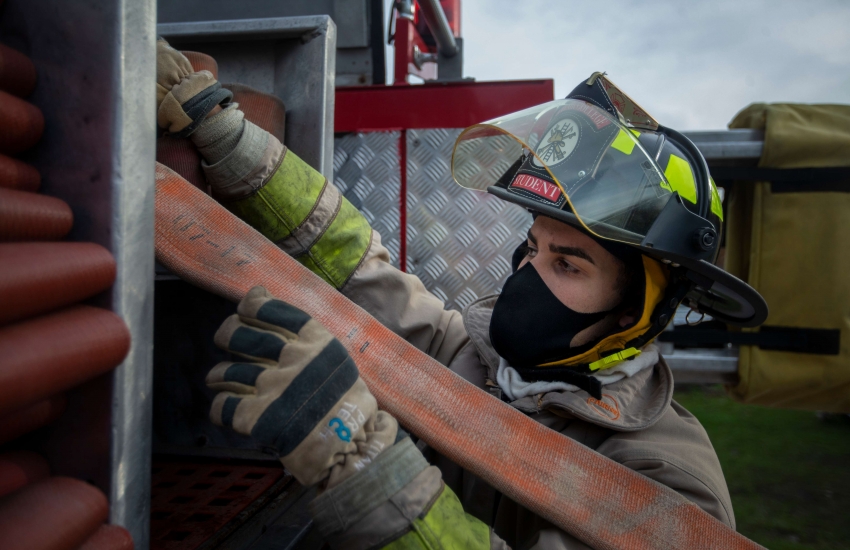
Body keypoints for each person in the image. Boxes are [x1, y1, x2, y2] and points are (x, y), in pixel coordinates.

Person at [156, 40, 768, 549]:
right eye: (533, 245)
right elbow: (352, 267)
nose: (527, 274)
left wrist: (355, 456)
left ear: (634, 312)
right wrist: (227, 133)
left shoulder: (670, 488)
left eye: (569, 264)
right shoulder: (477, 365)